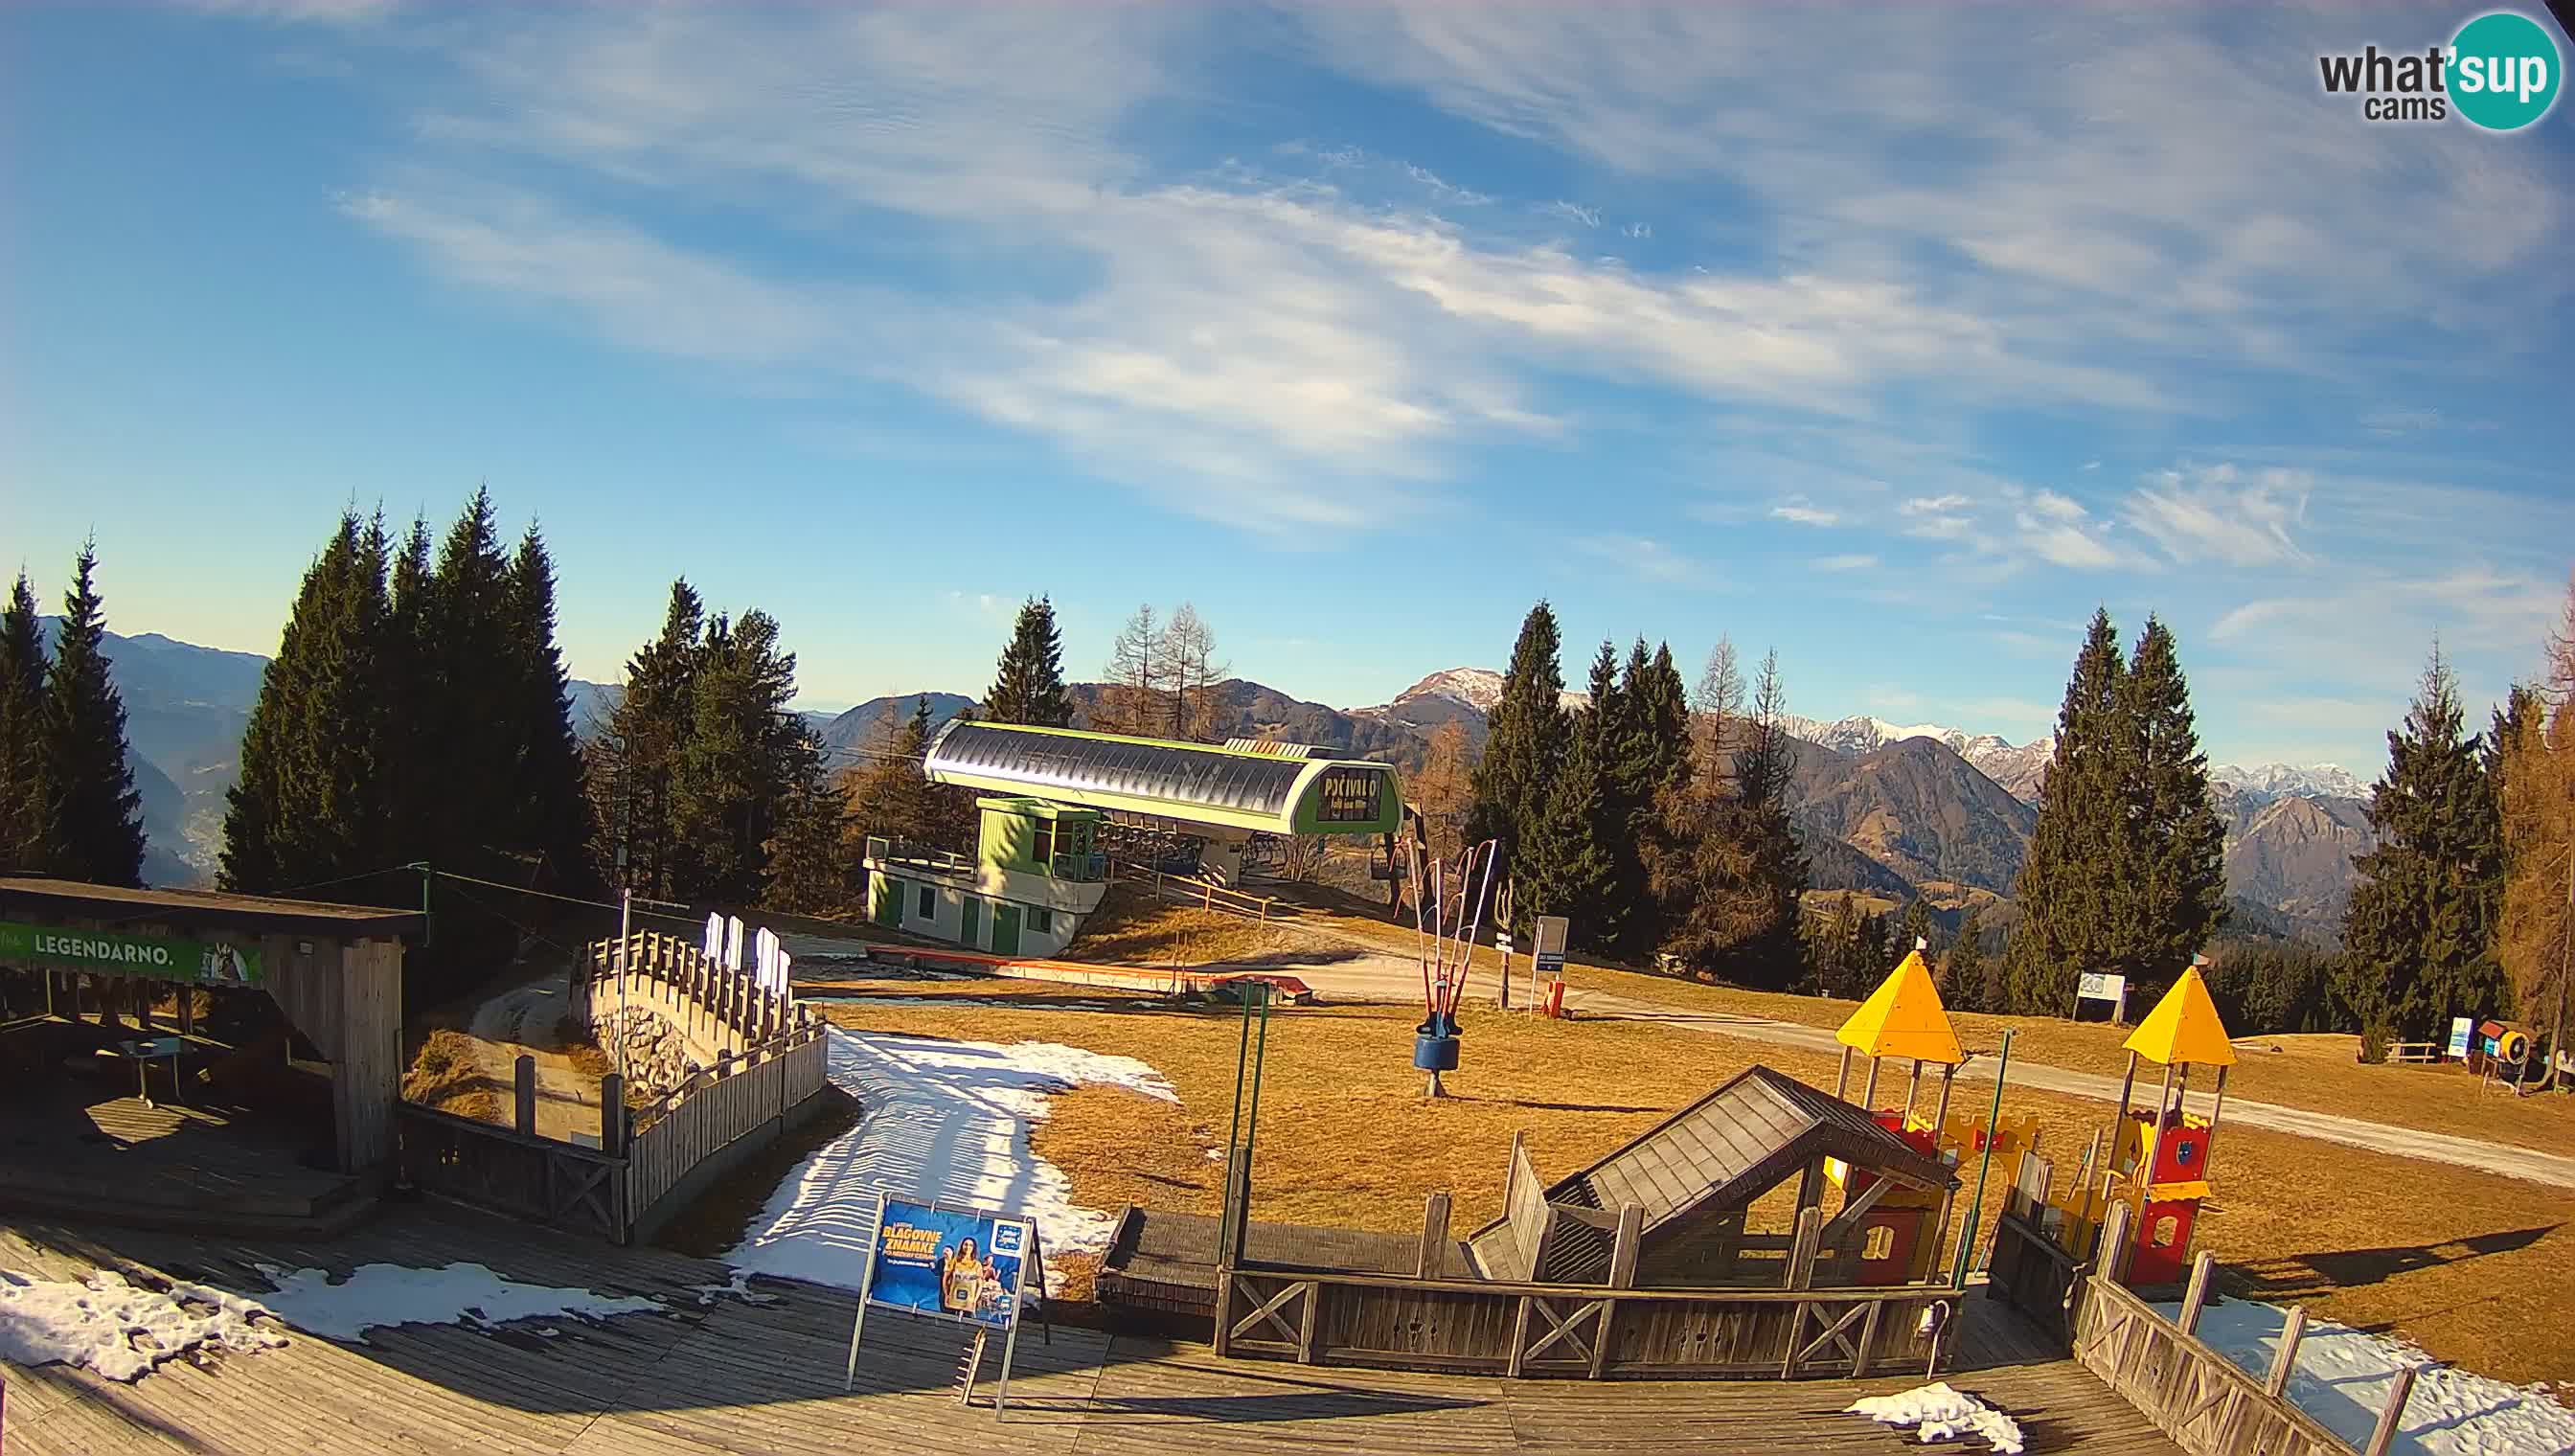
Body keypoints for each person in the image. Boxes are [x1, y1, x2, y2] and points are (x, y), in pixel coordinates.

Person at [940, 1237, 984, 1315]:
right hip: (953, 1302)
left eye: (971, 1245)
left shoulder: (977, 1265)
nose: (968, 1247)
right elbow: (945, 1279)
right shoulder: (954, 1261)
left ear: (974, 1248)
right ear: (962, 1246)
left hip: (968, 1303)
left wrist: (975, 1300)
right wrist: (946, 1294)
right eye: (965, 1244)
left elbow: (980, 1285)